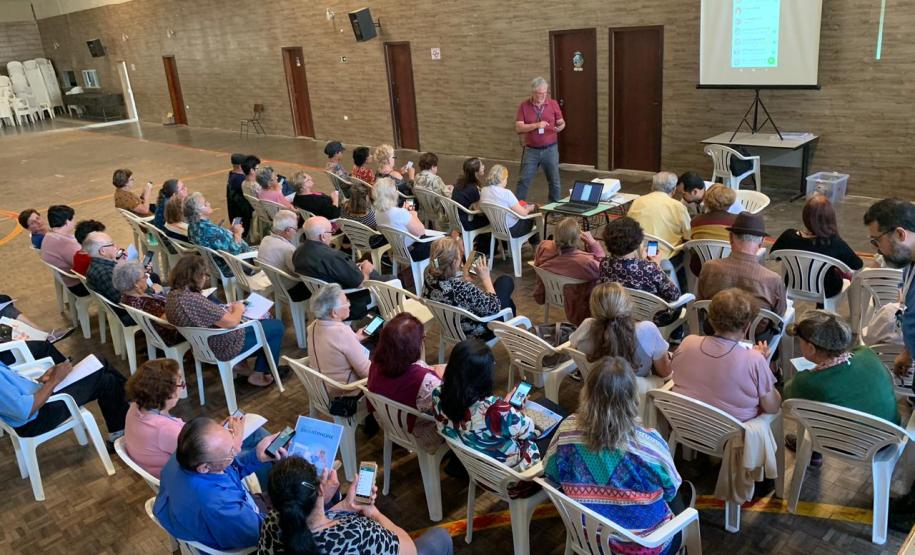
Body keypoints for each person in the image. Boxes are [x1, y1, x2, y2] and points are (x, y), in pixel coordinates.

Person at [544, 357, 688, 555]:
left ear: (586, 393)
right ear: (632, 397)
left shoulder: (566, 432)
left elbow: (552, 476)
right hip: (646, 546)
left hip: (589, 538)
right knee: (684, 496)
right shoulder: (649, 445)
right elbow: (671, 492)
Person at [258, 456, 452, 555]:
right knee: (440, 537)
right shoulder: (358, 533)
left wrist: (344, 506)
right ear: (319, 490)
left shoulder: (272, 522)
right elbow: (409, 550)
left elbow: (310, 524)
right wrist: (373, 512)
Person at [124, 358, 272, 481]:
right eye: (180, 383)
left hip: (179, 464)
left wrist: (216, 431)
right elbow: (218, 460)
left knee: (256, 433)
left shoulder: (136, 407)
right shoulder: (165, 431)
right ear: (167, 394)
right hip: (193, 476)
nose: (183, 387)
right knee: (262, 451)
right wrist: (236, 437)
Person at [153, 417, 284, 551]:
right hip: (239, 530)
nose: (237, 451)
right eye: (231, 452)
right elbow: (265, 533)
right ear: (204, 468)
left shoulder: (185, 454)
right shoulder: (221, 505)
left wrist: (256, 455)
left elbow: (230, 470)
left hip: (206, 516)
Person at [165, 255, 280, 387]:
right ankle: (259, 373)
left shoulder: (173, 296)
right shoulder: (192, 300)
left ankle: (242, 364)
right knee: (276, 327)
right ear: (197, 276)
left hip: (202, 344)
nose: (205, 279)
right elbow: (232, 323)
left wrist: (226, 310)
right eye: (204, 275)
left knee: (266, 329)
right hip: (222, 345)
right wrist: (239, 308)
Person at [671, 288, 780, 422]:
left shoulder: (688, 342)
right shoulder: (755, 360)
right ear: (746, 326)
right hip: (733, 436)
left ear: (711, 321)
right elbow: (773, 406)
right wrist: (764, 364)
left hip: (686, 423)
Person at [433, 338, 540, 471]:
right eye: (491, 364)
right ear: (482, 376)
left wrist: (503, 406)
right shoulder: (496, 410)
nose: (494, 364)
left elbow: (478, 416)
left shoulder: (437, 394)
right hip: (513, 479)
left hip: (474, 467)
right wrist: (513, 411)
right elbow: (529, 431)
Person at [784, 310, 899, 424]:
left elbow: (787, 396)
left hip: (847, 440)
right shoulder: (866, 352)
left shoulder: (807, 381)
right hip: (891, 433)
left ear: (811, 348)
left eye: (800, 341)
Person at [697, 212, 787, 337]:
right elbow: (778, 316)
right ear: (761, 243)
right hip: (755, 337)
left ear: (730, 238)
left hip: (715, 331)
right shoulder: (773, 279)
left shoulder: (709, 267)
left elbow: (700, 305)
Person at [0, 356, 128, 445]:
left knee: (108, 380)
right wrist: (54, 380)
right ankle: (137, 404)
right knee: (101, 363)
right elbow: (23, 411)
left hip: (38, 400)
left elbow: (16, 389)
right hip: (36, 418)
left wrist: (41, 380)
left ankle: (119, 434)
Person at [368, 313, 445, 452]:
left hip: (388, 423)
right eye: (422, 338)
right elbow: (446, 409)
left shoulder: (375, 363)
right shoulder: (423, 380)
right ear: (413, 346)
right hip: (418, 433)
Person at [570, 282, 671, 380]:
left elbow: (573, 347)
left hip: (598, 385)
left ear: (593, 308)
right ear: (627, 304)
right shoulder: (647, 330)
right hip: (636, 392)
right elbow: (665, 373)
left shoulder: (586, 326)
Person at [771, 195, 863, 298]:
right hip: (827, 290)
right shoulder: (834, 243)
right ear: (830, 218)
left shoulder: (788, 236)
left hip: (792, 284)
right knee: (841, 274)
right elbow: (857, 264)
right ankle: (828, 309)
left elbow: (774, 255)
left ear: (805, 216)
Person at [422, 236, 515, 338]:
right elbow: (494, 307)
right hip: (475, 331)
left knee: (508, 299)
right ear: (454, 262)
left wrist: (464, 277)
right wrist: (485, 278)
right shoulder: (462, 287)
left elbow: (453, 292)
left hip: (449, 327)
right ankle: (515, 337)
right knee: (505, 282)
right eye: (460, 256)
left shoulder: (428, 273)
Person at [293, 216, 383, 320]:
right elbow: (360, 283)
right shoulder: (332, 257)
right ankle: (384, 322)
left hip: (322, 297)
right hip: (346, 300)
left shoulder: (297, 253)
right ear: (322, 236)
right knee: (391, 280)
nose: (331, 234)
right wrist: (366, 270)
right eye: (331, 232)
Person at [864, 198, 915, 377]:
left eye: (877, 241)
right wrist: (909, 352)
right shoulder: (909, 264)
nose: (878, 250)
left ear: (900, 234)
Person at [532, 217, 605, 325]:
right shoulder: (585, 262)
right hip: (577, 302)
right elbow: (604, 268)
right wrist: (593, 243)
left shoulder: (543, 246)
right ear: (578, 238)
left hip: (553, 295)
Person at [305, 284, 371, 398]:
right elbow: (366, 372)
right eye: (346, 301)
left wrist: (355, 338)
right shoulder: (342, 332)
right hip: (346, 392)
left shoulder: (312, 327)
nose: (349, 304)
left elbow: (334, 346)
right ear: (334, 313)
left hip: (321, 388)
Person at [598, 216, 680, 302]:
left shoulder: (604, 263)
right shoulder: (650, 268)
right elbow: (674, 295)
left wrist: (643, 261)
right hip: (652, 313)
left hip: (620, 309)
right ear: (638, 242)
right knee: (666, 264)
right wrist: (657, 265)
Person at [514, 76, 565, 202]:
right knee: (524, 180)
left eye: (545, 93)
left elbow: (562, 122)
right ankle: (518, 208)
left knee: (554, 180)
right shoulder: (524, 106)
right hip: (531, 150)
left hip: (550, 149)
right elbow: (519, 128)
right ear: (533, 92)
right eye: (539, 93)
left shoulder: (553, 104)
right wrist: (537, 125)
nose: (543, 96)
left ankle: (554, 209)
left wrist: (560, 127)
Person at [185, 191, 251, 277]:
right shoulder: (209, 231)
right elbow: (235, 251)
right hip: (235, 265)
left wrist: (228, 233)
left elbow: (217, 241)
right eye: (205, 203)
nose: (209, 203)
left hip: (216, 265)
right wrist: (238, 233)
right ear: (199, 212)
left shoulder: (192, 227)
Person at [114, 261, 180, 346]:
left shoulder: (126, 297)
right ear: (136, 284)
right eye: (144, 276)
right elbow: (171, 324)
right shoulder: (148, 304)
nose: (147, 277)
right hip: (174, 335)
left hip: (155, 334)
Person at [375, 177, 435, 261]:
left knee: (409, 203)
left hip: (398, 250)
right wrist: (413, 214)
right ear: (392, 194)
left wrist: (406, 212)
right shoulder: (400, 213)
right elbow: (421, 231)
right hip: (414, 251)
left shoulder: (377, 213)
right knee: (444, 240)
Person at [84, 231, 136, 326]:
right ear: (102, 251)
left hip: (119, 305)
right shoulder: (106, 273)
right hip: (129, 313)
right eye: (112, 244)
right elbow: (126, 299)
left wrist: (120, 263)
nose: (116, 245)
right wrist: (150, 289)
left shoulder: (97, 264)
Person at [480, 164, 540, 246]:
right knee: (536, 214)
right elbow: (523, 213)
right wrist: (530, 208)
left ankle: (526, 244)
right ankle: (537, 247)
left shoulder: (484, 190)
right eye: (506, 178)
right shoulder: (507, 193)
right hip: (513, 229)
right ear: (503, 179)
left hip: (496, 228)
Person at [627, 171, 691, 247]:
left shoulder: (637, 201)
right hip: (666, 253)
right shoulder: (678, 206)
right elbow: (688, 234)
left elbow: (628, 226)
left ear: (652, 186)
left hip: (639, 251)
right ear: (674, 190)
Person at [258, 210, 308, 302]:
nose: (296, 232)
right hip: (291, 290)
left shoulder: (265, 239)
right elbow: (300, 272)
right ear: (288, 230)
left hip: (277, 285)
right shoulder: (288, 249)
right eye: (296, 229)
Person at [40, 204, 87, 295]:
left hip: (66, 279)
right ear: (67, 222)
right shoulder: (66, 244)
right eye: (72, 218)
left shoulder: (49, 235)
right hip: (78, 284)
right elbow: (85, 267)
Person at [450, 157, 490, 250]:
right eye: (482, 166)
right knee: (493, 219)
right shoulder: (473, 188)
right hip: (466, 222)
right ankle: (485, 249)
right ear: (476, 171)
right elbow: (479, 210)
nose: (484, 167)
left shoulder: (459, 183)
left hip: (456, 219)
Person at [227, 153, 253, 235]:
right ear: (241, 166)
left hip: (235, 214)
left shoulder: (232, 175)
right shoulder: (240, 180)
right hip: (242, 217)